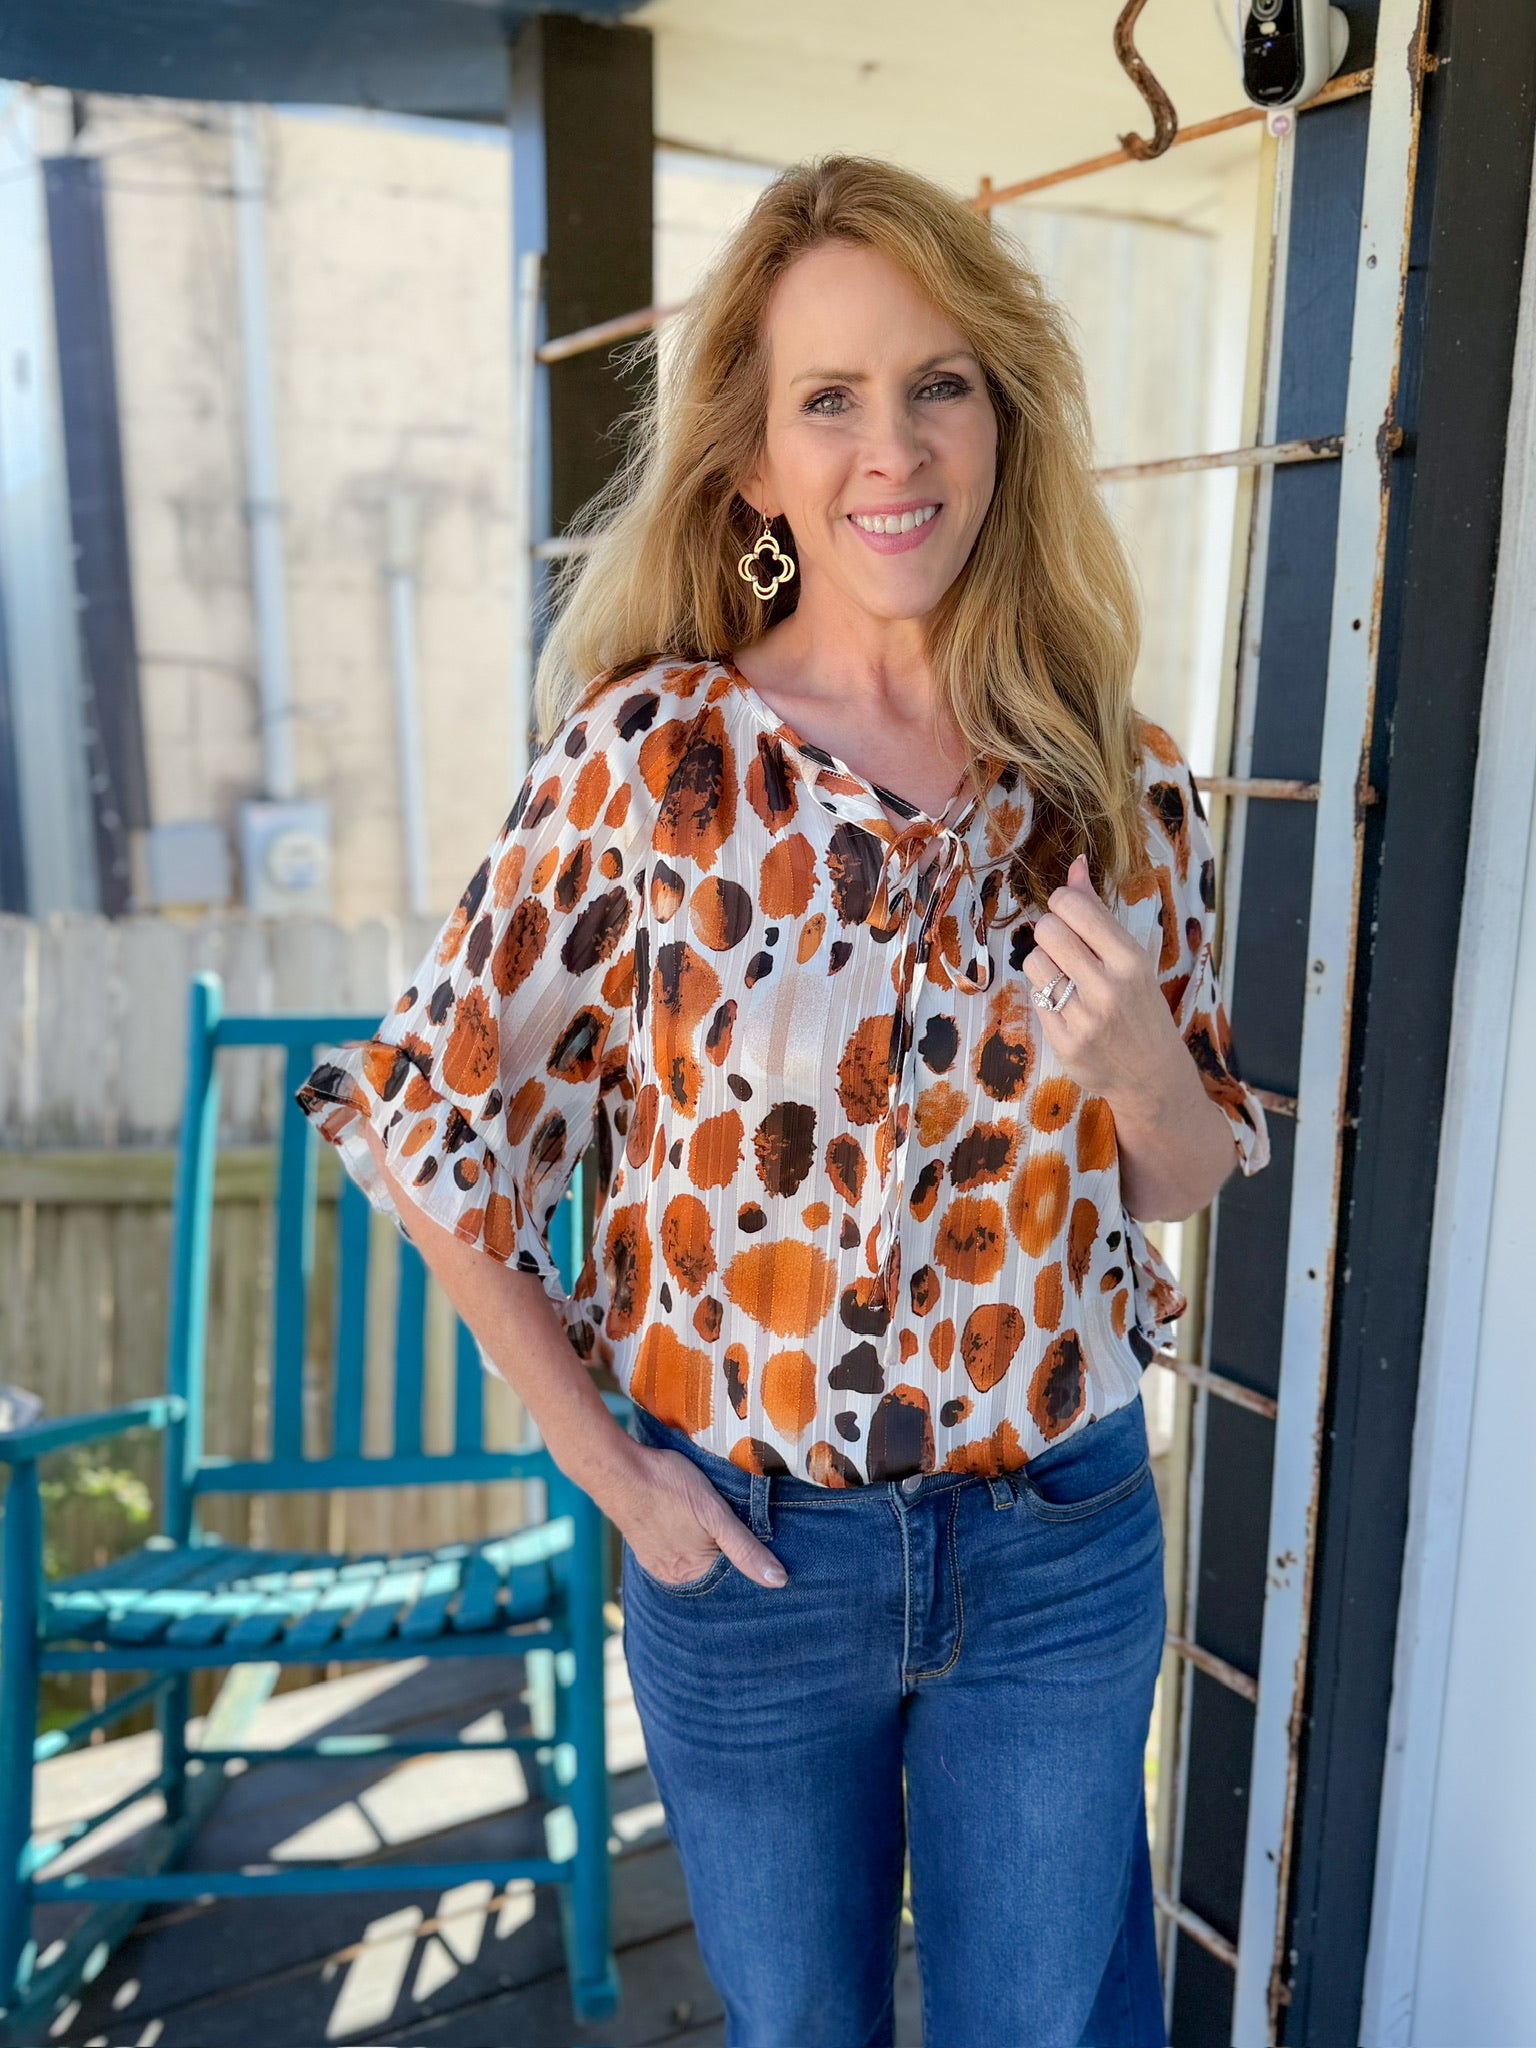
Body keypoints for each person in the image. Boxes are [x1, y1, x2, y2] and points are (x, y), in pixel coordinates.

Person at [298, 154, 1269, 2048]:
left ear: (1002, 417)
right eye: (829, 397)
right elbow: (431, 1127)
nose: (888, 449)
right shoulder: (653, 763)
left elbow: (1188, 1168)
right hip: (746, 1556)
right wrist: (610, 1472)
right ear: (754, 458)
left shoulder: (1115, 775)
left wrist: (1149, 1065)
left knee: (1049, 2028)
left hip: (1056, 1541)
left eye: (938, 384)